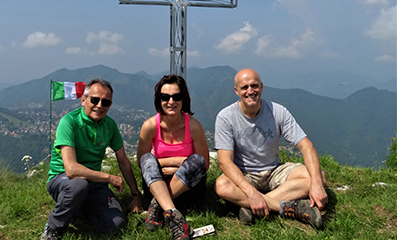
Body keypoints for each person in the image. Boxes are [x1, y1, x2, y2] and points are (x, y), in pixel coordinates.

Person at [214, 69, 327, 229]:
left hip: (274, 170)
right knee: (221, 185)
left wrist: (316, 184)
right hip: (245, 174)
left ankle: (251, 206)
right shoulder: (226, 117)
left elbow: (306, 145)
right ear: (236, 91)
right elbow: (225, 162)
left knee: (319, 176)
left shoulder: (278, 111)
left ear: (261, 86)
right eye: (244, 87)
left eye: (254, 86)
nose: (250, 91)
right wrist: (250, 191)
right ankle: (289, 208)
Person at [41, 78, 143, 240]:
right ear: (83, 100)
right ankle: (53, 228)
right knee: (78, 184)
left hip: (93, 184)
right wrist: (109, 178)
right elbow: (72, 170)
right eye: (94, 100)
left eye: (106, 102)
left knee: (116, 224)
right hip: (62, 179)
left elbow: (123, 161)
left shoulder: (109, 125)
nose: (100, 105)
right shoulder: (69, 122)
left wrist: (135, 196)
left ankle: (75, 209)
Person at [137, 74, 209, 240]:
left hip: (188, 188)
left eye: (176, 96)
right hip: (157, 183)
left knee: (197, 161)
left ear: (184, 99)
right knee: (147, 158)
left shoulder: (194, 126)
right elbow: (143, 162)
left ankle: (157, 205)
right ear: (159, 99)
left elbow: (204, 164)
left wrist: (165, 165)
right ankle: (175, 216)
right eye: (165, 97)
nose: (171, 102)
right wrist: (179, 162)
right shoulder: (149, 126)